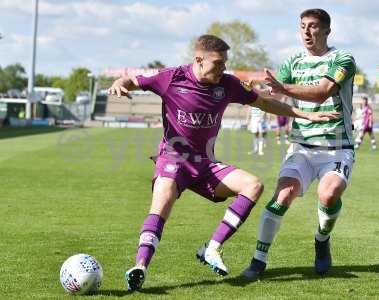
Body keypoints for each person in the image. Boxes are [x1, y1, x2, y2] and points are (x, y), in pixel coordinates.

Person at [108, 34, 339, 292]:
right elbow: (134, 80)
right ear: (199, 60)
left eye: (225, 63)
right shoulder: (172, 77)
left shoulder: (227, 84)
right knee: (161, 205)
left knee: (253, 185)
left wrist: (305, 114)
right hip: (173, 159)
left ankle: (212, 248)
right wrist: (120, 82)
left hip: (205, 164)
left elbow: (263, 102)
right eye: (218, 63)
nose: (223, 68)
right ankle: (140, 266)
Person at [242, 8, 356, 278]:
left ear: (327, 30)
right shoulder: (291, 62)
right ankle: (258, 261)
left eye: (313, 26)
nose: (307, 31)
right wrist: (251, 94)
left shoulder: (343, 59)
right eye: (302, 26)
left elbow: (322, 93)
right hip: (302, 147)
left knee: (328, 195)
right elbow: (274, 99)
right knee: (282, 196)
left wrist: (283, 88)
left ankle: (322, 240)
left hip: (338, 147)